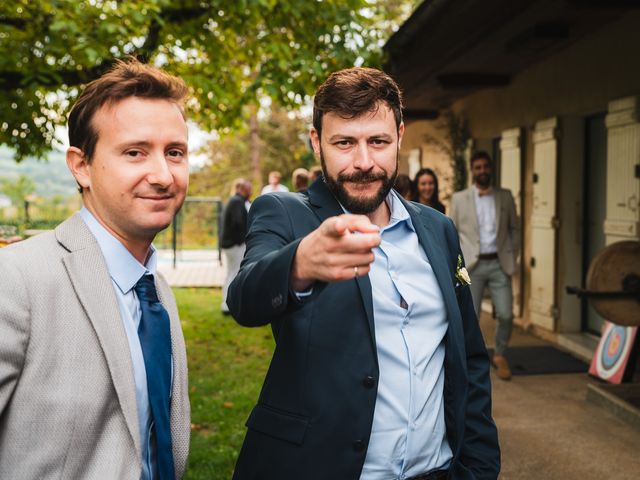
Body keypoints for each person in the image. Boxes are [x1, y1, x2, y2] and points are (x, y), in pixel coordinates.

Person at [228, 67, 499, 480]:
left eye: (378, 141)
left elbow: (469, 357)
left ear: (400, 137)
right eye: (344, 143)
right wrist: (300, 262)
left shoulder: (439, 229)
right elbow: (245, 297)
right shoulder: (284, 213)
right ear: (317, 142)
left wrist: (479, 466)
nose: (363, 162)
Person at [0, 59, 191, 479]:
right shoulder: (15, 280)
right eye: (135, 152)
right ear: (80, 166)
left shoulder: (156, 290)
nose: (162, 175)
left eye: (174, 152)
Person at [450, 151, 520, 381]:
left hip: (500, 264)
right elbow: (453, 233)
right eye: (478, 167)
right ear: (472, 170)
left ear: (491, 169)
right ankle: (470, 358)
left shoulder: (506, 196)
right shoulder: (459, 199)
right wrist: (458, 268)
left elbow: (514, 229)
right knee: (470, 315)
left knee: (507, 314)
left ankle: (499, 355)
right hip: (471, 266)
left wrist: (512, 255)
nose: (482, 171)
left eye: (485, 167)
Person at [220, 178, 252, 315]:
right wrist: (245, 239)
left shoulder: (235, 201)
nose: (250, 192)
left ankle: (226, 303)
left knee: (231, 272)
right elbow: (238, 223)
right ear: (241, 189)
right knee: (234, 273)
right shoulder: (237, 202)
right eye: (248, 189)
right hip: (235, 244)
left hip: (230, 243)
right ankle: (228, 305)